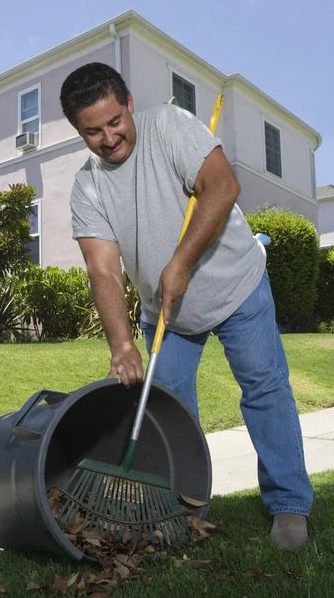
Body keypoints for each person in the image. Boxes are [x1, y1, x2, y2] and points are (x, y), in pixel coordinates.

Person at [59, 62, 313, 548]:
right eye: (93, 131)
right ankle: (186, 510)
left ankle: (288, 505)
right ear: (79, 132)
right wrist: (121, 344)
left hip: (236, 285)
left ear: (129, 103)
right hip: (168, 314)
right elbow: (103, 270)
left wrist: (181, 261)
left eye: (115, 121)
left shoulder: (170, 126)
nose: (109, 138)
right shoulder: (87, 187)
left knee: (264, 389)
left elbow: (223, 187)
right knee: (167, 408)